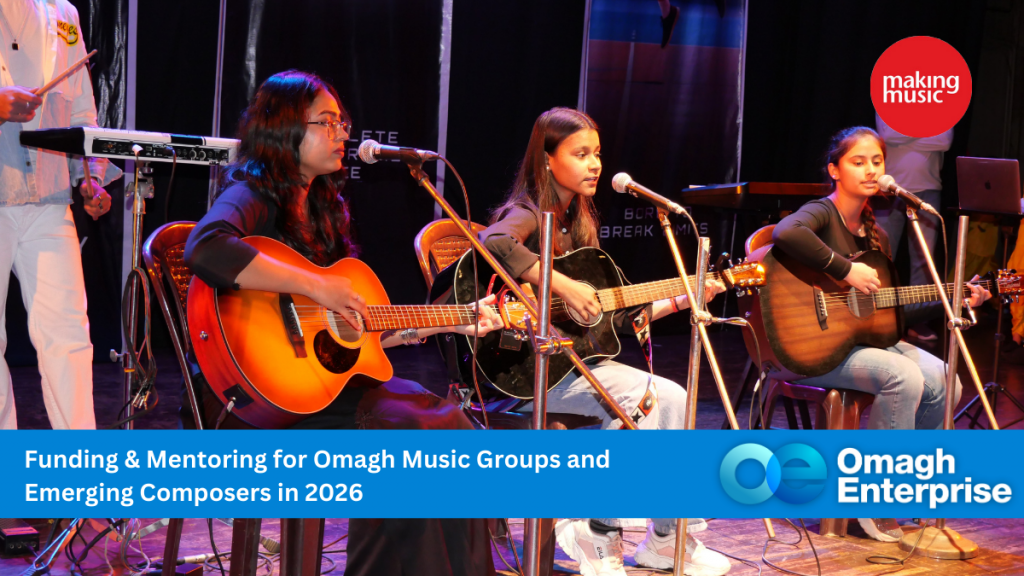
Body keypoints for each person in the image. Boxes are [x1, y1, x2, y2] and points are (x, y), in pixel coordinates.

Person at [184, 70, 498, 576]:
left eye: (342, 122)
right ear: (285, 128)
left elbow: (356, 331)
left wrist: (445, 323)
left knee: (453, 428)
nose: (342, 133)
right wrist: (313, 285)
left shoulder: (322, 207)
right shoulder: (253, 191)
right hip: (256, 401)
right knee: (412, 434)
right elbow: (206, 246)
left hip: (316, 389)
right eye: (326, 122)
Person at [479, 107, 730, 576]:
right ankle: (597, 530)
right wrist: (562, 284)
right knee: (641, 401)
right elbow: (493, 242)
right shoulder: (527, 213)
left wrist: (682, 298)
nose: (594, 163)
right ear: (548, 160)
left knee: (672, 395)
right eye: (580, 154)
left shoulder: (581, 224)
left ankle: (665, 537)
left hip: (577, 362)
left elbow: (616, 317)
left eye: (597, 153)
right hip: (530, 371)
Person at [771, 126, 989, 542]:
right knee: (902, 376)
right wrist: (845, 270)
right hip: (811, 348)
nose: (871, 170)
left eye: (877, 161)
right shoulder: (822, 212)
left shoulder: (879, 233)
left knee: (947, 379)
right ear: (834, 169)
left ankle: (910, 488)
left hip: (863, 343)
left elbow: (892, 311)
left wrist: (956, 299)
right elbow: (786, 233)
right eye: (858, 162)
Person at [0, 0, 120, 429]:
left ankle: (79, 464)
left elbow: (81, 109)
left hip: (49, 197)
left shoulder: (62, 11)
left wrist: (90, 177)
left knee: (69, 337)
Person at [873, 114, 953, 341]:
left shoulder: (942, 103)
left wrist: (906, 129)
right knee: (881, 256)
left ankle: (917, 322)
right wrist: (928, 125)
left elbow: (944, 141)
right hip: (889, 187)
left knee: (923, 258)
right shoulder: (889, 94)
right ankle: (877, 320)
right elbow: (888, 135)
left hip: (928, 188)